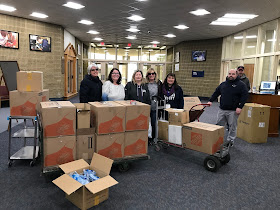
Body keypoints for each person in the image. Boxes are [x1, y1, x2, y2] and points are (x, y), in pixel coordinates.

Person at [208, 69, 248, 146]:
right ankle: (217, 140)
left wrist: (240, 107)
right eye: (229, 74)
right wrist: (210, 100)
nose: (231, 75)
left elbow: (244, 97)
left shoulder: (241, 85)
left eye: (233, 74)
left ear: (236, 75)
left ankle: (230, 141)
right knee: (218, 125)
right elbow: (216, 93)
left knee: (232, 127)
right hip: (222, 109)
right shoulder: (223, 84)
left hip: (233, 110)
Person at [146, 68, 162, 144]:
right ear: (147, 75)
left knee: (153, 123)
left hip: (155, 106)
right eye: (149, 74)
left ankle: (153, 138)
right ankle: (146, 138)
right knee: (145, 122)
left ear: (155, 75)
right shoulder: (145, 83)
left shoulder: (159, 83)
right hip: (146, 105)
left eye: (153, 73)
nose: (151, 75)